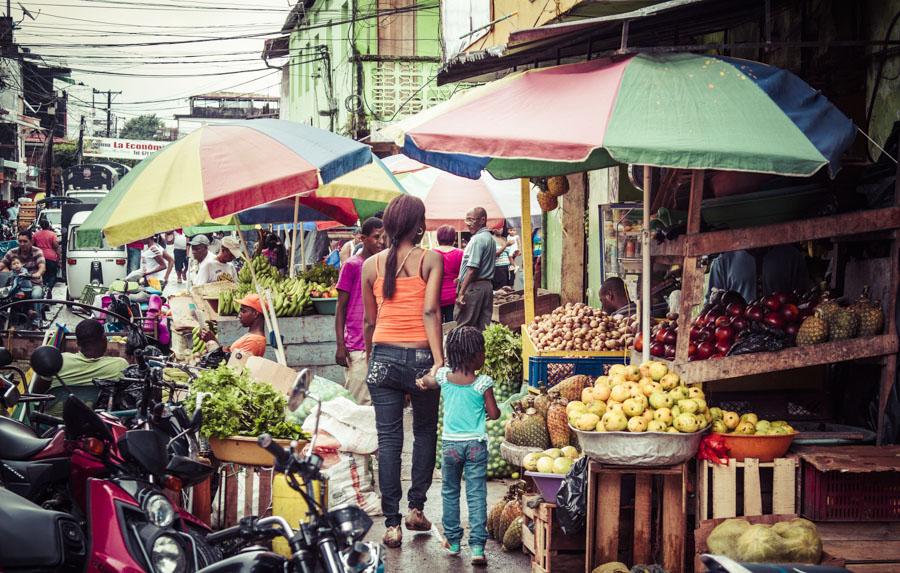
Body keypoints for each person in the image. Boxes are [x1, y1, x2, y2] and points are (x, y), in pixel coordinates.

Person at [361, 194, 444, 549]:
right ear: (419, 224)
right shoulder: (430, 260)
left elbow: (369, 320)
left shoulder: (370, 266)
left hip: (383, 357)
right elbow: (431, 313)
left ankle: (391, 524)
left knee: (389, 441)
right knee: (424, 433)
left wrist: (371, 360)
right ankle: (415, 509)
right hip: (421, 357)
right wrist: (439, 361)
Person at [416, 326, 500, 565]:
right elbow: (494, 414)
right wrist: (491, 409)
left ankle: (453, 542)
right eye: (481, 351)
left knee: (450, 493)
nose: (484, 354)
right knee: (476, 495)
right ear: (474, 355)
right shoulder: (483, 383)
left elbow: (428, 381)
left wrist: (421, 381)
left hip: (450, 446)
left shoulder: (443, 377)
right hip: (475, 445)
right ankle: (476, 548)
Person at [335, 217, 385, 405]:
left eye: (384, 237)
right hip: (357, 347)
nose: (381, 241)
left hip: (379, 343)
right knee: (359, 403)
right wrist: (340, 345)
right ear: (363, 238)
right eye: (376, 237)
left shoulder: (383, 265)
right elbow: (340, 307)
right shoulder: (352, 265)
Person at [708, 246, 810, 303]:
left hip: (782, 329)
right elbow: (712, 304)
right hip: (739, 332)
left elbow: (803, 297)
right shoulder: (722, 261)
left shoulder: (791, 256)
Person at [51, 319, 128, 388]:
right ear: (104, 339)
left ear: (77, 343)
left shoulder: (57, 361)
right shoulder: (120, 365)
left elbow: (40, 391)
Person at [455, 207, 495, 331]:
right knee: (483, 328)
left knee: (464, 327)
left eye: (471, 220)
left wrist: (461, 293)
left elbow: (472, 269)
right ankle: (480, 351)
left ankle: (463, 351)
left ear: (482, 220)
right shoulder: (489, 238)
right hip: (486, 287)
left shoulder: (477, 240)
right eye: (467, 221)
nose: (468, 225)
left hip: (474, 288)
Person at [201, 293, 268, 357]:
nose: (239, 315)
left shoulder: (254, 341)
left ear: (255, 314)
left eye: (243, 311)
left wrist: (213, 341)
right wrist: (213, 340)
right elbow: (230, 355)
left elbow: (234, 365)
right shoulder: (251, 336)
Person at [0, 230, 45, 317]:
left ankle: (36, 323)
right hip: (14, 284)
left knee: (36, 295)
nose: (22, 244)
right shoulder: (12, 252)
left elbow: (42, 267)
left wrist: (37, 274)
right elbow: (2, 264)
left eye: (25, 241)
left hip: (33, 283)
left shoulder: (37, 252)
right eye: (20, 241)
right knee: (3, 296)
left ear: (31, 241)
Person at [433, 224, 464, 323]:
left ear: (438, 237)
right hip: (453, 296)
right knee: (452, 325)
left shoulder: (431, 253)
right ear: (453, 237)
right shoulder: (460, 253)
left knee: (437, 327)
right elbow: (463, 275)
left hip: (435, 295)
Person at [33, 218, 59, 292]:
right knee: (52, 275)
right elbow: (56, 246)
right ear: (48, 226)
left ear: (41, 226)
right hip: (51, 258)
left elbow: (32, 245)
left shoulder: (36, 234)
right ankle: (49, 288)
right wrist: (59, 257)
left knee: (42, 274)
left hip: (39, 257)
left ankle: (43, 289)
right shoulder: (52, 234)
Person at [492, 222, 511, 290]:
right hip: (498, 267)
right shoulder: (492, 239)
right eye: (498, 228)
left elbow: (508, 254)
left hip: (507, 267)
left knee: (507, 288)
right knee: (500, 289)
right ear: (493, 229)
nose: (500, 229)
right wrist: (506, 245)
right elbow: (495, 254)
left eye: (501, 227)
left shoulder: (504, 239)